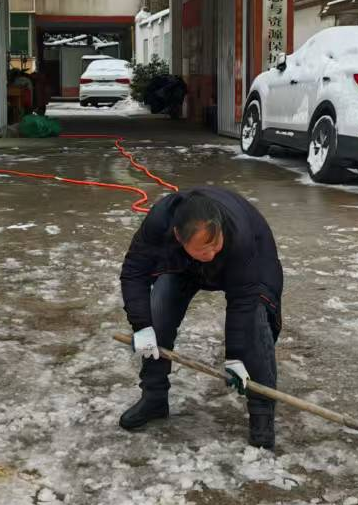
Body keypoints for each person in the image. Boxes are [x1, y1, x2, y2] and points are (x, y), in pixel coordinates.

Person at [118, 187, 284, 449]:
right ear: (178, 236)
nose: (211, 255)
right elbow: (133, 273)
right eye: (203, 249)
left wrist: (236, 356)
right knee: (157, 314)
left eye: (214, 244)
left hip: (248, 259)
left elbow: (242, 302)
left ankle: (261, 414)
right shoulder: (159, 225)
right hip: (182, 263)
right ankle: (154, 398)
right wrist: (142, 327)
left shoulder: (238, 237)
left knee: (254, 324)